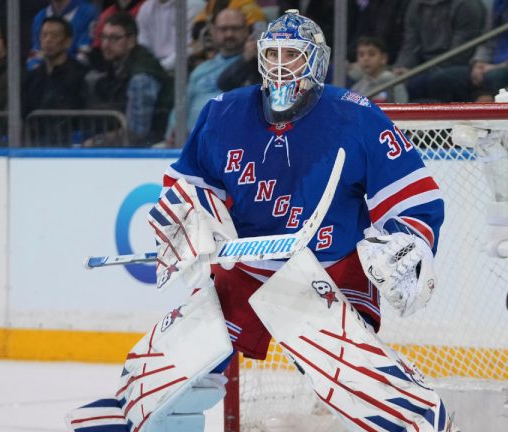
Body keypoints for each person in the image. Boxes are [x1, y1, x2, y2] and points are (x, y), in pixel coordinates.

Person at [67, 10, 452, 432]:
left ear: (317, 61)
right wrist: (189, 219)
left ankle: (420, 421)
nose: (282, 64)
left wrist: (408, 243)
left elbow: (414, 196)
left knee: (354, 382)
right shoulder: (223, 113)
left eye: (293, 54)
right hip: (242, 268)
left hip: (329, 268)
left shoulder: (355, 116)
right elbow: (187, 183)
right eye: (273, 53)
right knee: (163, 383)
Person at [426, 0, 508, 102]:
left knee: (495, 77)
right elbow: (488, 40)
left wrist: (503, 66)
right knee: (443, 78)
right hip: (492, 65)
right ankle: (452, 126)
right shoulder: (499, 2)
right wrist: (478, 63)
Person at [88, 12, 173, 146]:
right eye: (103, 37)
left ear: (131, 41)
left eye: (114, 38)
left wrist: (98, 141)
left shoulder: (141, 77)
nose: (106, 44)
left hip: (151, 149)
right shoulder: (117, 66)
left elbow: (137, 132)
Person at [166, 8, 248, 141]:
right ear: (214, 31)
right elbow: (182, 105)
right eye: (223, 29)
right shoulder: (201, 69)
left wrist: (248, 59)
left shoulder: (255, 66)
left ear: (246, 30)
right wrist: (172, 132)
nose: (229, 34)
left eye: (235, 28)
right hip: (191, 143)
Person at [392, 0, 486, 101]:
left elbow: (461, 53)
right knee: (393, 79)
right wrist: (402, 67)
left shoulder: (467, 5)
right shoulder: (415, 5)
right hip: (426, 65)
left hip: (461, 64)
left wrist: (417, 72)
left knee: (428, 81)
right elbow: (410, 44)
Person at [23, 17, 89, 146]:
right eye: (44, 35)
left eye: (55, 35)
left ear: (68, 42)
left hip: (67, 145)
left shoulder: (80, 75)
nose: (48, 40)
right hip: (35, 145)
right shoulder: (32, 77)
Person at [135, 0, 206, 72]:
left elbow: (190, 48)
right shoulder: (146, 7)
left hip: (187, 68)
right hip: (156, 68)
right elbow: (142, 45)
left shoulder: (194, 4)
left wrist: (157, 68)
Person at [26, 0, 99, 70]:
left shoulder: (87, 13)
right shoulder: (40, 17)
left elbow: (84, 56)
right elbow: (35, 55)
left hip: (76, 77)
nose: (48, 39)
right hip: (46, 76)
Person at [350, 36, 408, 103]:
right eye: (361, 55)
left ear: (383, 58)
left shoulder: (393, 81)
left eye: (371, 54)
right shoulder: (356, 88)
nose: (366, 59)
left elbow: (402, 106)